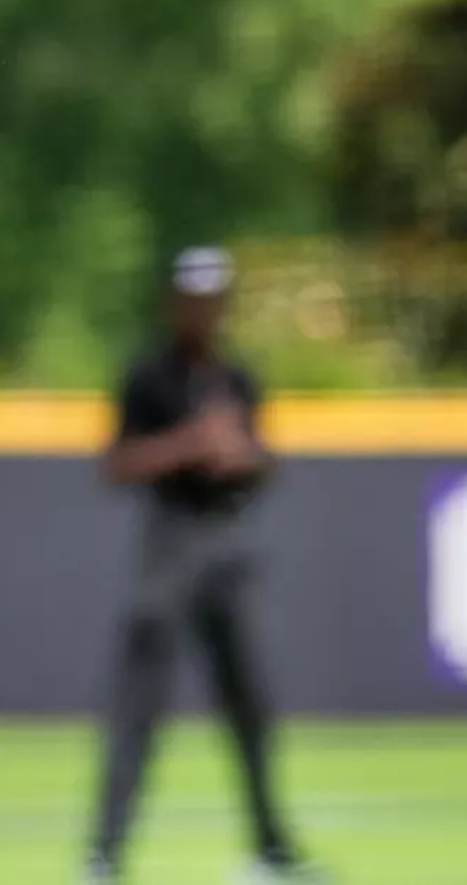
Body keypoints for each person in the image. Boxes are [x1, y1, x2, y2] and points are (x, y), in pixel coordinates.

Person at [83, 247, 321, 884]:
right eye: (194, 300)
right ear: (174, 305)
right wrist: (191, 444)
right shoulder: (149, 376)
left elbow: (263, 461)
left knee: (249, 705)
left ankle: (270, 848)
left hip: (227, 544)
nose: (205, 312)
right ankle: (105, 853)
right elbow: (118, 464)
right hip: (168, 546)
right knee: (140, 705)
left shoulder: (237, 377)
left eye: (214, 301)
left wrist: (241, 453)